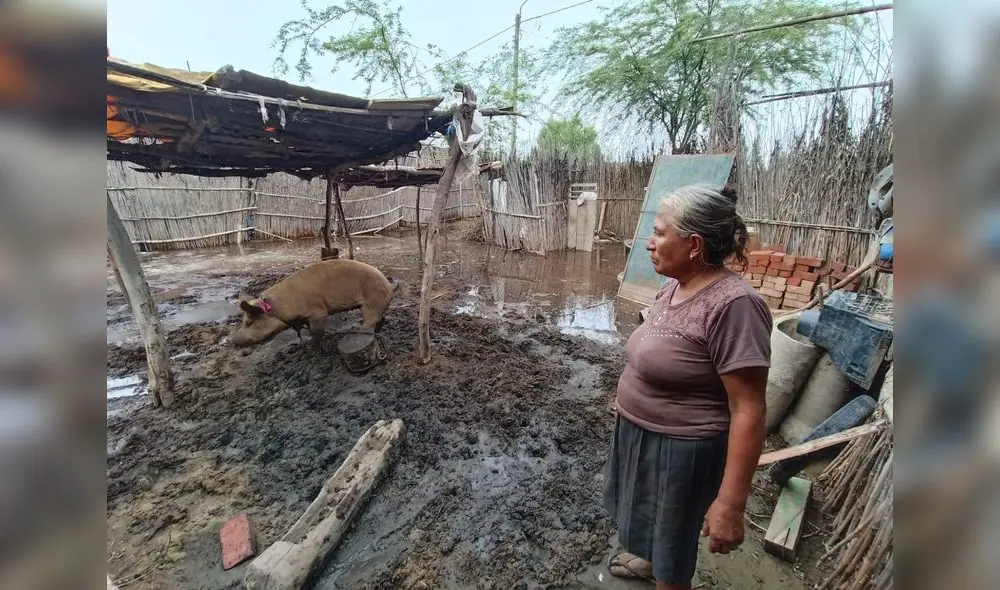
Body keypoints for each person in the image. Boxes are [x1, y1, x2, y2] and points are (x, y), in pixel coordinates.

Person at [604, 184, 772, 590]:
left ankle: (667, 575)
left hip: (681, 452)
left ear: (694, 244)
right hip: (642, 435)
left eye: (660, 233)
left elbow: (749, 409)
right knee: (651, 524)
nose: (649, 242)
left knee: (674, 553)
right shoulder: (674, 286)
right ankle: (652, 561)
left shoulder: (734, 307)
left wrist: (730, 504)